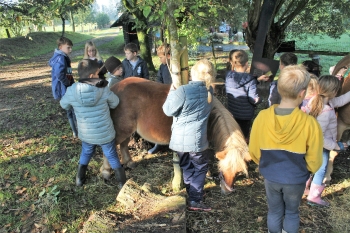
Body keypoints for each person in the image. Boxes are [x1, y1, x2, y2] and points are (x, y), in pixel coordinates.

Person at [249, 65, 323, 233]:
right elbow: (315, 158)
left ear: (279, 89)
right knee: (291, 213)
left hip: (271, 176)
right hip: (296, 178)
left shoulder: (262, 117)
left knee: (274, 211)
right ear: (302, 93)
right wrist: (308, 170)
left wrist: (265, 165)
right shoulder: (310, 123)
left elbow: (253, 150)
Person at [60, 59, 126, 188]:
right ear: (91, 76)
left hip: (86, 133)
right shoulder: (102, 89)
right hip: (104, 133)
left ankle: (79, 179)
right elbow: (115, 103)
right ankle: (121, 182)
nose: (99, 76)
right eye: (97, 74)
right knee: (112, 155)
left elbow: (64, 105)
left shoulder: (72, 90)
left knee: (86, 153)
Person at [162, 59, 215, 211]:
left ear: (192, 73)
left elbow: (167, 110)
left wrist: (172, 93)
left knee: (186, 165)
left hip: (179, 141)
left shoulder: (182, 91)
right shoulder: (209, 92)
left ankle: (192, 193)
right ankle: (195, 200)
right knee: (200, 168)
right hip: (198, 141)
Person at [303, 75, 350, 207]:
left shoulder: (318, 101)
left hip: (310, 144)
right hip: (321, 146)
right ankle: (314, 197)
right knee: (320, 169)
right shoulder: (325, 111)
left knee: (308, 166)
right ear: (334, 92)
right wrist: (335, 146)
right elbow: (320, 137)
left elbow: (341, 100)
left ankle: (303, 188)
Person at [225, 50, 260, 142]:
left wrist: (256, 79)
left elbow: (241, 81)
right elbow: (253, 99)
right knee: (244, 135)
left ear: (233, 63)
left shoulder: (228, 76)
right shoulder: (250, 80)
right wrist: (259, 100)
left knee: (234, 132)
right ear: (247, 63)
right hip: (245, 115)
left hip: (232, 112)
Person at [49, 36, 78, 138]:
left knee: (71, 110)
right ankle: (76, 131)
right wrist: (68, 83)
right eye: (68, 47)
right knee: (72, 110)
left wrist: (72, 82)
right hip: (63, 89)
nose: (70, 50)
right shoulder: (60, 58)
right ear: (61, 47)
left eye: (71, 47)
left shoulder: (64, 57)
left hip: (68, 86)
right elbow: (59, 74)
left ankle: (76, 130)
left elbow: (68, 71)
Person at [148, 44, 172, 154]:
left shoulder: (175, 67)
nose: (160, 60)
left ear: (168, 56)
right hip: (164, 96)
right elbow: (159, 79)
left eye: (161, 57)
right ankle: (159, 143)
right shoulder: (162, 67)